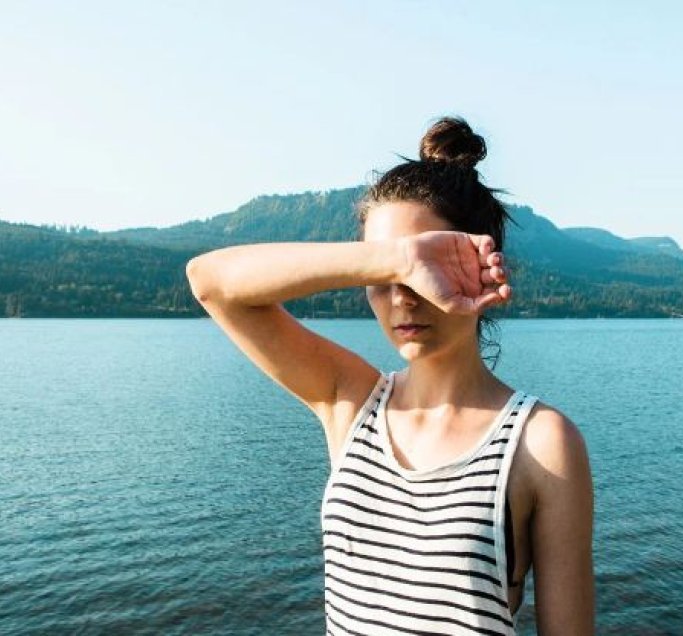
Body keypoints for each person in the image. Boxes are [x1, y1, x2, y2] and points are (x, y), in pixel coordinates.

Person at [185, 116, 594, 635]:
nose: (402, 295)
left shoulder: (541, 443)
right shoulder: (351, 402)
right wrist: (395, 257)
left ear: (481, 261)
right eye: (383, 278)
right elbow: (210, 282)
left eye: (430, 268)